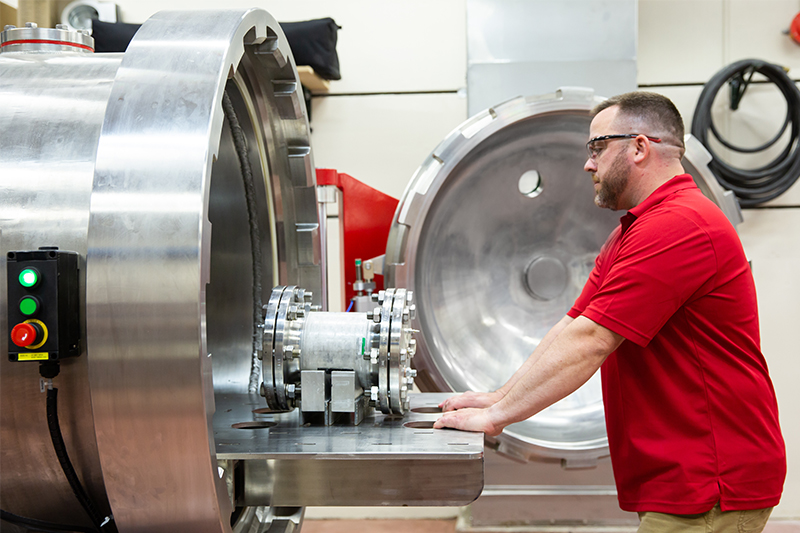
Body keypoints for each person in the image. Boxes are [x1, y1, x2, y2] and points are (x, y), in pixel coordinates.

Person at [433, 92, 786, 532]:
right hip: (682, 474)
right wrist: (500, 397)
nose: (589, 163)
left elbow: (592, 342)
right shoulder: (636, 229)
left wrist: (498, 418)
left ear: (639, 147)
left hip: (711, 477)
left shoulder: (680, 225)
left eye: (597, 147)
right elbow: (574, 326)